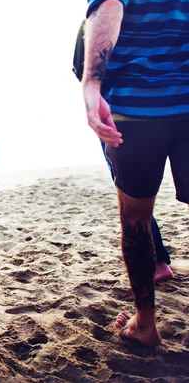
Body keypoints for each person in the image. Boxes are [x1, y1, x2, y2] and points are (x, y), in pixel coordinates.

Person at [83, 0, 189, 346]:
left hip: (138, 108)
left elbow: (109, 1)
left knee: (136, 219)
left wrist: (91, 81)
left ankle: (145, 324)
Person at [72, 19, 173, 282]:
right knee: (138, 204)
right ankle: (158, 261)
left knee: (133, 204)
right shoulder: (155, 13)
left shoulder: (96, 21)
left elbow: (79, 67)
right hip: (169, 106)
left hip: (122, 114)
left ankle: (158, 263)